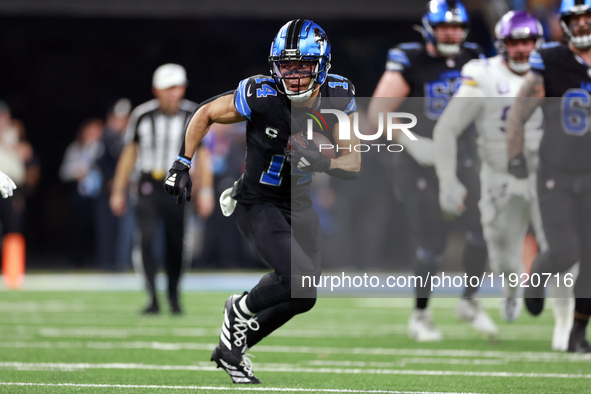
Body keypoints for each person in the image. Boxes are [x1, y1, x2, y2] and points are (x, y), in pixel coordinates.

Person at [163, 19, 360, 384]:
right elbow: (205, 113)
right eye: (287, 65)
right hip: (257, 201)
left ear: (322, 65)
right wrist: (182, 163)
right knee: (295, 278)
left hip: (299, 206)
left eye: (303, 65)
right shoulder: (262, 94)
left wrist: (319, 160)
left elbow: (353, 161)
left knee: (304, 296)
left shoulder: (339, 95)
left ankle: (231, 348)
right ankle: (239, 309)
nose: (294, 75)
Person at [433, 10, 575, 351]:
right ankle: (511, 289)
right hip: (500, 177)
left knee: (563, 251)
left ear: (540, 43)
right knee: (503, 260)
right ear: (501, 44)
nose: (523, 49)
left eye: (529, 41)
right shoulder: (482, 75)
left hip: (549, 174)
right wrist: (447, 179)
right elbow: (447, 128)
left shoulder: (559, 68)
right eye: (515, 42)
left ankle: (566, 323)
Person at [368, 0, 494, 341]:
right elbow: (377, 112)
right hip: (419, 161)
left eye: (456, 26)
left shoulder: (472, 56)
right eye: (444, 27)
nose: (451, 33)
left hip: (460, 155)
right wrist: (410, 141)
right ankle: (421, 314)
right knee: (432, 240)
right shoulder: (410, 58)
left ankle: (469, 300)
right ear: (429, 28)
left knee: (483, 226)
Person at [506, 0, 591, 353]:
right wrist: (514, 158)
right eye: (577, 19)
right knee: (566, 251)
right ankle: (538, 272)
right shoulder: (553, 61)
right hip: (557, 171)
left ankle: (577, 333)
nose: (584, 25)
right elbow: (519, 113)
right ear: (565, 23)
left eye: (588, 18)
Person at [110, 64, 200, 315]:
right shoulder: (142, 114)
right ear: (156, 90)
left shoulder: (193, 114)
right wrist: (118, 190)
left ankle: (173, 294)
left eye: (177, 87)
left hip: (178, 185)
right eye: (168, 88)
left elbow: (204, 154)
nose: (173, 93)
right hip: (148, 183)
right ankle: (152, 297)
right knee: (147, 239)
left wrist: (204, 191)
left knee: (177, 244)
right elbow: (130, 153)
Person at [59, 118, 104, 267]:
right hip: (81, 194)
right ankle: (77, 260)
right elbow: (63, 173)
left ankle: (101, 260)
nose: (93, 134)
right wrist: (76, 172)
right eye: (90, 131)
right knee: (79, 228)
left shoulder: (105, 148)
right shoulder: (75, 149)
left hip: (101, 195)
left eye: (97, 131)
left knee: (100, 228)